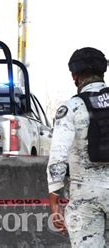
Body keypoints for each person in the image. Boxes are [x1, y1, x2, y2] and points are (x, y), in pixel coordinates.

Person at [47, 47, 109, 247]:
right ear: (103, 72)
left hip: (85, 196)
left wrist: (54, 201)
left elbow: (58, 157)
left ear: (74, 75)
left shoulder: (72, 107)